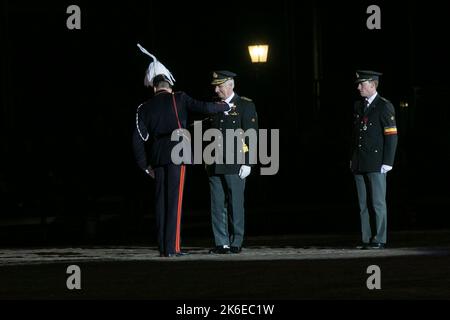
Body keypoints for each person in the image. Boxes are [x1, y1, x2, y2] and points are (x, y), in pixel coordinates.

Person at [132, 44, 229, 257]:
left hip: (156, 155)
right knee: (174, 201)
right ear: (169, 84)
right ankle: (172, 248)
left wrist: (145, 166)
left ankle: (163, 247)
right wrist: (225, 106)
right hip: (178, 151)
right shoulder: (180, 98)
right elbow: (204, 107)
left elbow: (137, 141)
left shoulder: (144, 108)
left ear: (154, 86)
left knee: (160, 202)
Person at [206, 71, 258, 254]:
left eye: (219, 85)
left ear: (230, 85)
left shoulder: (244, 105)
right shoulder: (214, 105)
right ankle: (222, 242)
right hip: (214, 162)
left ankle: (236, 240)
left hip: (235, 162)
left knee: (235, 203)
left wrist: (248, 162)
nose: (216, 89)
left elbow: (251, 134)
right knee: (217, 204)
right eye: (215, 85)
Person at [350, 70, 398, 249]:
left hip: (377, 161)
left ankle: (380, 238)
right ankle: (366, 237)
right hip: (360, 161)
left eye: (362, 84)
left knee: (377, 202)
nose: (359, 87)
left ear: (373, 84)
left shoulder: (384, 106)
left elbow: (391, 136)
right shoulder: (358, 106)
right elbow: (355, 136)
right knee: (363, 203)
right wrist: (352, 158)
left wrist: (388, 161)